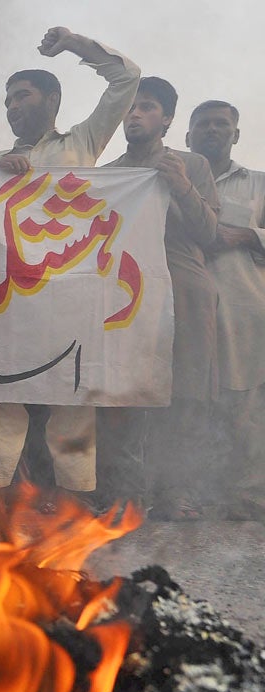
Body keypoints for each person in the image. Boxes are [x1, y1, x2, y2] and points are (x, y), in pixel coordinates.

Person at [0, 27, 140, 508]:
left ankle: (74, 502)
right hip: (10, 295)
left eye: (21, 96)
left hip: (70, 291)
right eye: (7, 101)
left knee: (73, 393)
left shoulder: (83, 142)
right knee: (0, 392)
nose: (12, 107)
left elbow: (128, 78)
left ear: (53, 98)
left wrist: (73, 43)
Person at [103, 77, 219, 519]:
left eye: (146, 107)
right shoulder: (112, 174)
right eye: (129, 108)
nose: (134, 115)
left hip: (183, 282)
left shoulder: (191, 164)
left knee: (187, 392)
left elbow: (209, 232)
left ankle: (175, 491)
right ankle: (125, 492)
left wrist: (183, 187)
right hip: (127, 288)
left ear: (168, 118)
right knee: (124, 390)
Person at [185, 100, 265, 521]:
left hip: (242, 308)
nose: (212, 130)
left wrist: (248, 236)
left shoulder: (258, 184)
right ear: (187, 136)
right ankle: (190, 493)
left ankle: (250, 497)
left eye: (222, 125)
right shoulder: (174, 179)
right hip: (182, 308)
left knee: (245, 403)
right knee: (189, 401)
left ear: (236, 135)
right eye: (203, 125)